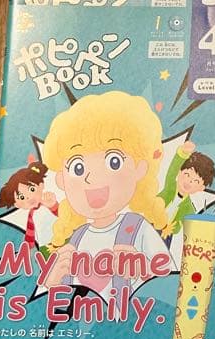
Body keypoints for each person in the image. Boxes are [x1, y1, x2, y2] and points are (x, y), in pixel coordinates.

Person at [41, 91, 171, 300]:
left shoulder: (138, 228)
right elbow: (55, 305)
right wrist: (52, 281)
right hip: (79, 319)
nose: (92, 178)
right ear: (61, 180)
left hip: (133, 318)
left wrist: (144, 271)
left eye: (114, 161)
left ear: (139, 168)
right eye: (78, 167)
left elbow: (171, 286)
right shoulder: (77, 237)